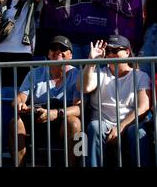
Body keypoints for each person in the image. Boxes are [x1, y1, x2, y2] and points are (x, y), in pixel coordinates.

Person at [9, 36, 82, 166]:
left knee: (75, 123)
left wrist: (55, 113)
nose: (58, 51)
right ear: (48, 54)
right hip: (36, 118)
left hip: (62, 119)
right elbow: (20, 97)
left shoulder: (77, 75)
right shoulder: (34, 73)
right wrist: (19, 104)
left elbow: (79, 108)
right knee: (16, 122)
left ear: (70, 55)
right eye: (54, 48)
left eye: (63, 49)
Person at [81, 35, 151, 167]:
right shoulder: (100, 73)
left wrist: (120, 127)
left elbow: (144, 107)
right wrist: (91, 61)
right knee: (95, 127)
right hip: (102, 123)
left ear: (127, 52)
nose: (111, 54)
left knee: (139, 132)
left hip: (129, 124)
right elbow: (84, 88)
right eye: (108, 51)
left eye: (115, 50)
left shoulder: (140, 76)